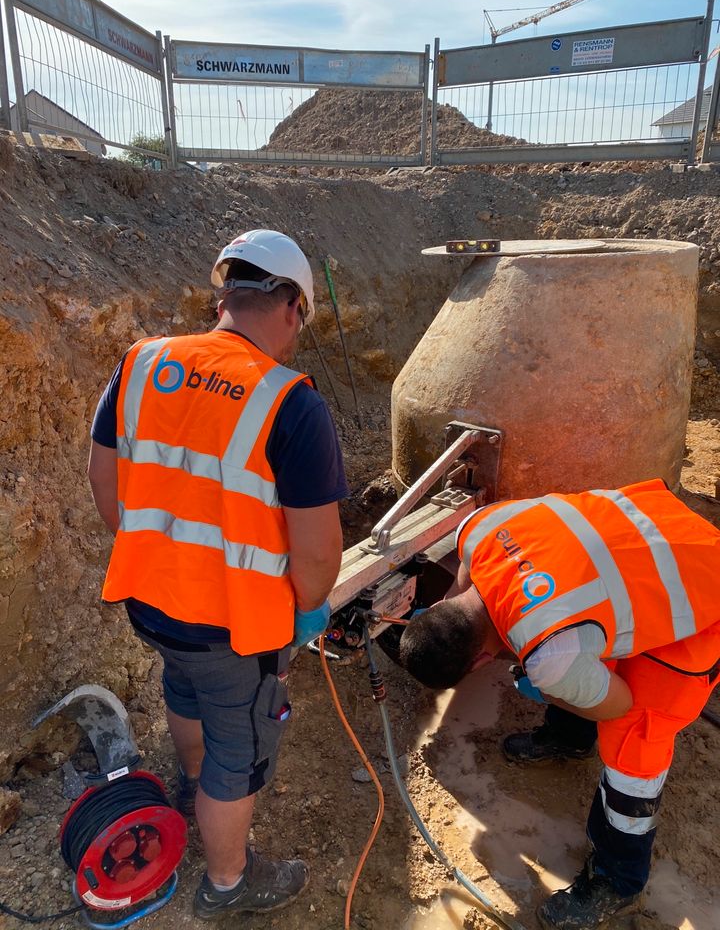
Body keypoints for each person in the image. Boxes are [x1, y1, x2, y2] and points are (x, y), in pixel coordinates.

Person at [88, 229, 347, 919]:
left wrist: (153, 551)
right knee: (241, 745)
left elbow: (103, 476)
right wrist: (309, 608)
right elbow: (318, 555)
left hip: (150, 601)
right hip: (234, 628)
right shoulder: (291, 404)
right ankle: (228, 881)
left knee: (183, 686)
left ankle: (190, 783)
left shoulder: (143, 363)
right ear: (291, 306)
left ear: (228, 292)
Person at [398, 479, 720, 930]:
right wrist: (560, 678)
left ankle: (619, 879)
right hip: (650, 529)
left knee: (634, 734)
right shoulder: (476, 530)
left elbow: (617, 704)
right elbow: (492, 591)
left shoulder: (551, 654)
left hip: (700, 589)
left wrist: (550, 686)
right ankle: (570, 739)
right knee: (577, 653)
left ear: (482, 662)